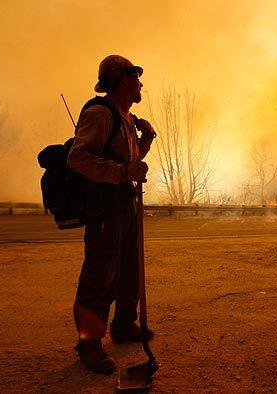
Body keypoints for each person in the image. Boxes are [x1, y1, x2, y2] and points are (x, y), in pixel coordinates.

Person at [67, 55, 156, 374]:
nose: (141, 83)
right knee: (100, 273)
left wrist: (144, 142)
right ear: (118, 80)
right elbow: (78, 158)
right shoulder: (100, 114)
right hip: (105, 206)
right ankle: (89, 344)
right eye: (135, 76)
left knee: (130, 268)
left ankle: (123, 326)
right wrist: (123, 173)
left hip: (125, 202)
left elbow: (128, 161)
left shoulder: (127, 119)